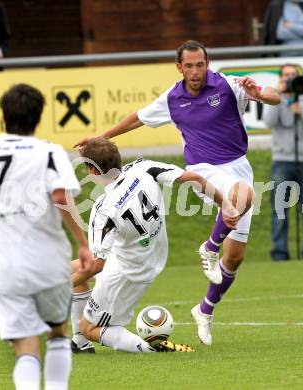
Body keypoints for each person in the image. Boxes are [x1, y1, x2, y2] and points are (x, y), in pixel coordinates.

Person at [75, 40, 281, 346]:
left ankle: (205, 310)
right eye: (190, 66)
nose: (196, 71)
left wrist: (258, 94)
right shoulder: (173, 97)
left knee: (235, 257)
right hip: (204, 169)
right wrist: (100, 137)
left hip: (238, 165)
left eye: (201, 65)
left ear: (208, 64)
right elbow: (137, 118)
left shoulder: (226, 83)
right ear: (179, 67)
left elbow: (274, 97)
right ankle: (209, 247)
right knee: (244, 195)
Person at [74, 139, 239, 353]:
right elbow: (194, 177)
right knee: (73, 269)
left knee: (89, 328)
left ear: (92, 172)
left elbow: (97, 266)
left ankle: (149, 348)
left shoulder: (103, 209)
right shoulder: (143, 168)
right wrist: (225, 205)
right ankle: (79, 345)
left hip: (127, 273)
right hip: (150, 255)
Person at [0, 83, 94, 390]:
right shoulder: (49, 153)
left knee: (25, 349)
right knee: (57, 334)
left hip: (1, 266)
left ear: (3, 116)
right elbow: (60, 196)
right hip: (46, 262)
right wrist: (82, 243)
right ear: (39, 116)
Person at [262, 64, 303, 261]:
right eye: (286, 76)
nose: (289, 78)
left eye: (293, 75)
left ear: (298, 77)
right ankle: (280, 253)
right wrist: (278, 96)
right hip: (281, 160)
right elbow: (269, 122)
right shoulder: (275, 98)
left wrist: (300, 113)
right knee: (280, 210)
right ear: (280, 78)